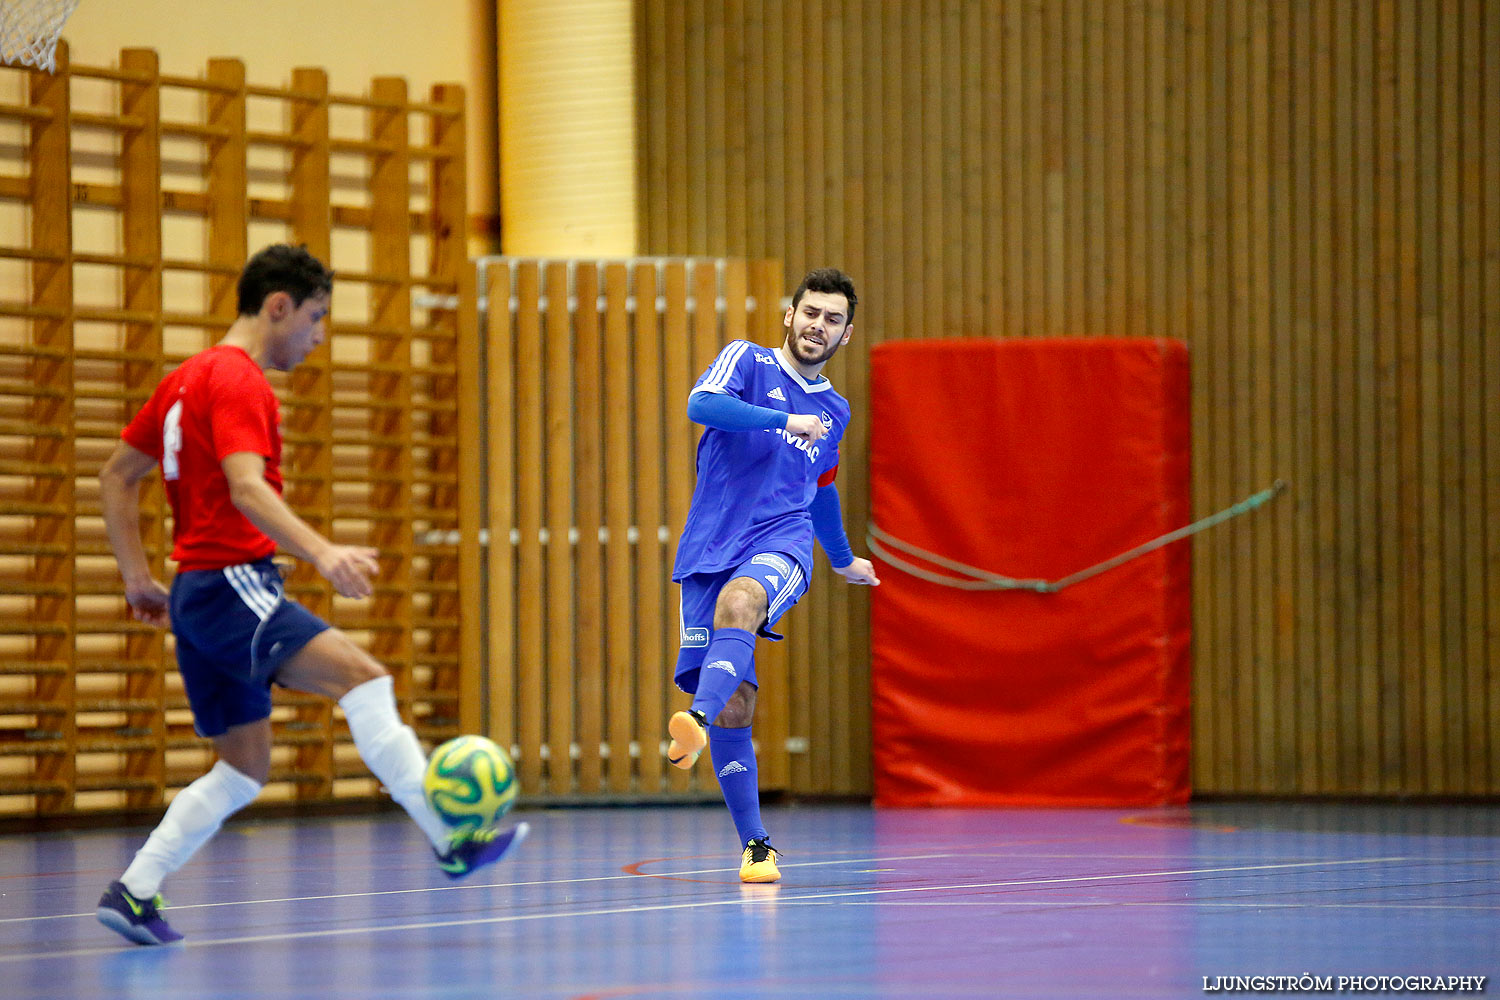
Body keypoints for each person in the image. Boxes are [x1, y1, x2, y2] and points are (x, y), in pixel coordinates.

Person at [93, 244, 527, 946]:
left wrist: (138, 578)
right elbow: (245, 486)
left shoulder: (184, 380)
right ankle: (452, 838)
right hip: (234, 584)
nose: (320, 336)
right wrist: (322, 552)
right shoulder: (238, 380)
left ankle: (134, 890)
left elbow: (117, 476)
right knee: (365, 679)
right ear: (278, 306)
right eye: (317, 318)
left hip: (197, 595)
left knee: (243, 769)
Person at [664, 266, 880, 883]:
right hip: (709, 546)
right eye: (810, 313)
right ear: (790, 316)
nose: (819, 326)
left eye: (832, 319)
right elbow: (700, 404)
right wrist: (780, 421)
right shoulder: (748, 361)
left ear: (847, 333)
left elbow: (820, 491)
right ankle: (757, 845)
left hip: (779, 541)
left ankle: (693, 722)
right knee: (738, 704)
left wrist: (840, 558)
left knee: (744, 600)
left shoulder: (834, 408)